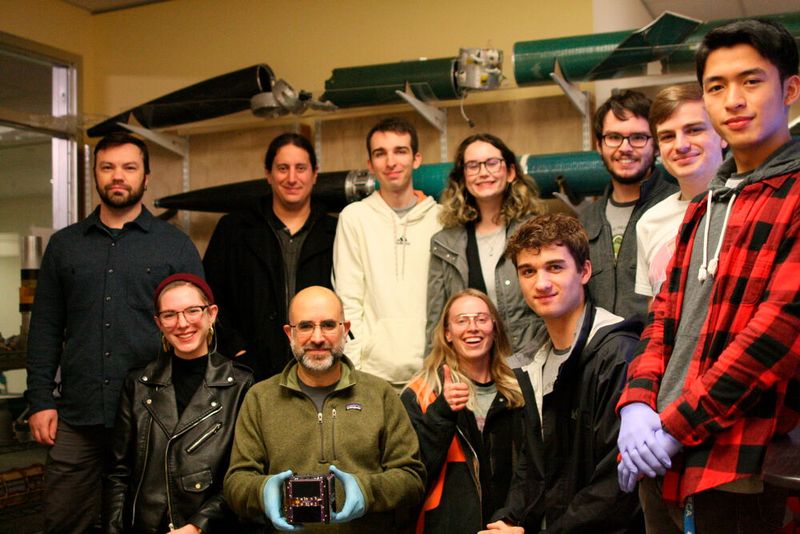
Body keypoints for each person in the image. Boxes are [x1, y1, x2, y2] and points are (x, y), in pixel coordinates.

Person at [617, 18, 800, 533]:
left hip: (742, 467)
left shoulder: (793, 194)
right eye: (716, 87)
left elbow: (776, 337)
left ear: (789, 89)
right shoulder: (707, 204)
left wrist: (674, 428)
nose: (733, 99)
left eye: (751, 81)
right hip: (662, 459)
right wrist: (637, 406)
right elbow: (661, 319)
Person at [25, 132, 204, 533]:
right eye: (107, 167)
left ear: (146, 177)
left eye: (128, 167)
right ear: (95, 175)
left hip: (154, 416)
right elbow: (46, 328)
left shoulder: (175, 246)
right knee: (64, 519)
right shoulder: (65, 246)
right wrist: (39, 399)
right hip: (77, 414)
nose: (117, 176)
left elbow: (196, 330)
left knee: (147, 521)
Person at [483, 213, 643, 533]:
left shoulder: (617, 354)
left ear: (584, 271)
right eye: (528, 271)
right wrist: (509, 517)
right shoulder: (535, 358)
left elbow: (616, 488)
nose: (541, 283)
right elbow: (534, 462)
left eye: (555, 267)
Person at [223, 286, 426, 533]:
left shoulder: (380, 394)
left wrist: (367, 491)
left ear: (345, 329)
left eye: (329, 325)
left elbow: (412, 478)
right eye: (306, 326)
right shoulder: (260, 399)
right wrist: (262, 491)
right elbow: (235, 483)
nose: (317, 337)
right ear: (289, 333)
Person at [104, 273, 253, 533]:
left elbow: (241, 476)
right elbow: (118, 472)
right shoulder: (138, 383)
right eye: (170, 315)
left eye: (192, 310)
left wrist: (198, 525)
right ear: (158, 323)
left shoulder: (240, 384)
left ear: (212, 314)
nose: (182, 323)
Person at [204, 133, 337, 381]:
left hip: (319, 365)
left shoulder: (335, 232)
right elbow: (210, 295)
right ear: (268, 174)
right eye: (282, 168)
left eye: (301, 168)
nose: (292, 178)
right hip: (249, 370)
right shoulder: (234, 230)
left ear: (315, 174)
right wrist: (235, 348)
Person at [403, 289, 525, 533]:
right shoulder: (421, 393)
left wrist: (513, 517)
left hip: (507, 526)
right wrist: (442, 412)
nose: (473, 328)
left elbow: (531, 469)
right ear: (448, 333)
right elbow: (411, 476)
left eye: (481, 319)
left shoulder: (520, 392)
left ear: (495, 327)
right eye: (462, 320)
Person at [333, 117, 441, 388]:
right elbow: (347, 299)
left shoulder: (441, 219)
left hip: (433, 373)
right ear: (370, 164)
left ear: (416, 159)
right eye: (380, 153)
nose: (391, 162)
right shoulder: (354, 218)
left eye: (400, 151)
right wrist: (355, 368)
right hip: (372, 376)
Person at [426, 134, 544, 355]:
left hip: (530, 360)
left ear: (510, 172)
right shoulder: (444, 243)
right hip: (469, 368)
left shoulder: (535, 233)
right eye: (472, 166)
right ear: (463, 177)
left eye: (491, 163)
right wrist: (433, 376)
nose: (482, 172)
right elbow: (436, 321)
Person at [579, 90, 678, 320]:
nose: (625, 148)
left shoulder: (680, 208)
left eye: (638, 137)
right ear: (599, 145)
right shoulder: (585, 220)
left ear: (655, 145)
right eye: (613, 137)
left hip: (657, 352)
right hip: (600, 353)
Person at [635, 84, 725, 303]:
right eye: (667, 136)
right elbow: (654, 308)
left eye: (694, 130)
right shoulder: (649, 223)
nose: (681, 145)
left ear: (723, 135)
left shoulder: (751, 205)